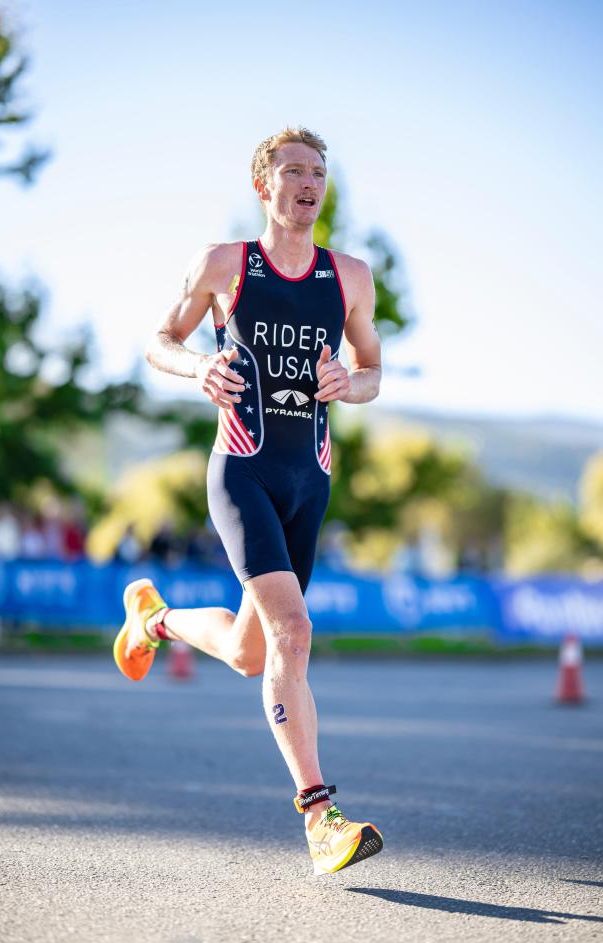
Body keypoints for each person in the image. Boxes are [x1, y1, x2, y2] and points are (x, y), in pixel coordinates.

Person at [113, 127, 383, 875]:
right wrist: (198, 365)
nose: (309, 183)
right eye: (294, 171)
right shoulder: (225, 264)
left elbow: (373, 370)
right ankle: (321, 816)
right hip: (242, 470)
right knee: (293, 634)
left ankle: (153, 621)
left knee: (249, 651)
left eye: (319, 172)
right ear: (264, 186)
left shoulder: (352, 276)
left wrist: (348, 384)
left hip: (310, 480)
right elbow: (157, 340)